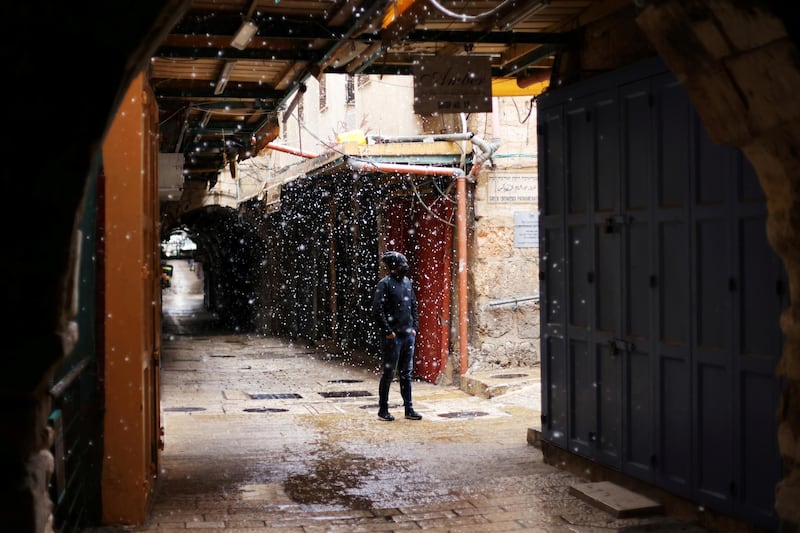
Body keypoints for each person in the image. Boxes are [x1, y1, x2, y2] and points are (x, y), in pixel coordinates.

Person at [372, 251, 423, 421]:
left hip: (408, 335)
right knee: (388, 373)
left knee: (406, 373)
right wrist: (388, 332)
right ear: (392, 267)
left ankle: (409, 408)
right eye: (400, 264)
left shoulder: (407, 282)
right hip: (393, 338)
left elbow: (413, 305)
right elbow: (377, 310)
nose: (404, 267)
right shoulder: (384, 284)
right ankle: (383, 409)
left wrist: (414, 327)